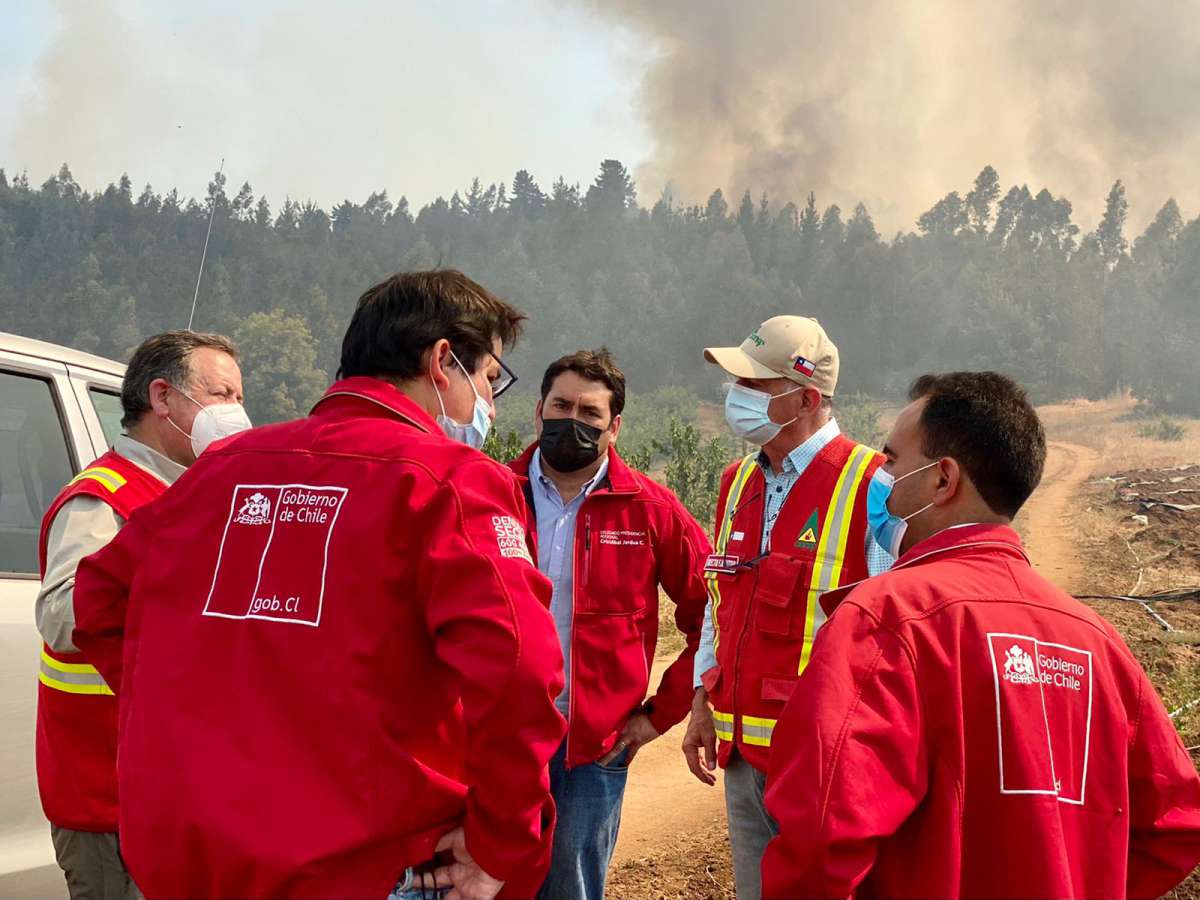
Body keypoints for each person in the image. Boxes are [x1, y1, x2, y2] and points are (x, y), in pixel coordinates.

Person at [72, 270, 567, 900]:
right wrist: (503, 845)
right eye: (489, 382)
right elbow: (520, 674)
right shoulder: (448, 481)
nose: (488, 408)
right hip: (367, 865)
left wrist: (196, 720)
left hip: (200, 859)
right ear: (443, 362)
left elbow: (97, 603)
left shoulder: (222, 471)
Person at [761, 371, 1200, 899]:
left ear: (943, 480)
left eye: (892, 461)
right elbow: (1175, 826)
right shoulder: (1097, 640)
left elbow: (822, 831)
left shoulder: (885, 620)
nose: (880, 477)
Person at [680, 315, 892, 900]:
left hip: (825, 765)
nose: (736, 398)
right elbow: (717, 601)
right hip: (744, 759)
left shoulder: (873, 485)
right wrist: (703, 699)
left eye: (753, 386)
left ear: (804, 398)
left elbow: (895, 636)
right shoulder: (737, 482)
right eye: (736, 384)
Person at [35, 330, 246, 900]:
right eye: (222, 395)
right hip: (111, 802)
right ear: (163, 398)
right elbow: (60, 617)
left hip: (174, 788)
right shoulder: (104, 498)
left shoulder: (190, 493)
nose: (236, 413)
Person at [506, 349, 711, 900]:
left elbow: (713, 613)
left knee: (570, 886)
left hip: (592, 747)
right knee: (486, 883)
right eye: (561, 405)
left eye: (590, 413)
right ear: (538, 411)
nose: (572, 420)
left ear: (614, 427)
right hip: (496, 739)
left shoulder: (651, 509)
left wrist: (655, 718)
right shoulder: (493, 496)